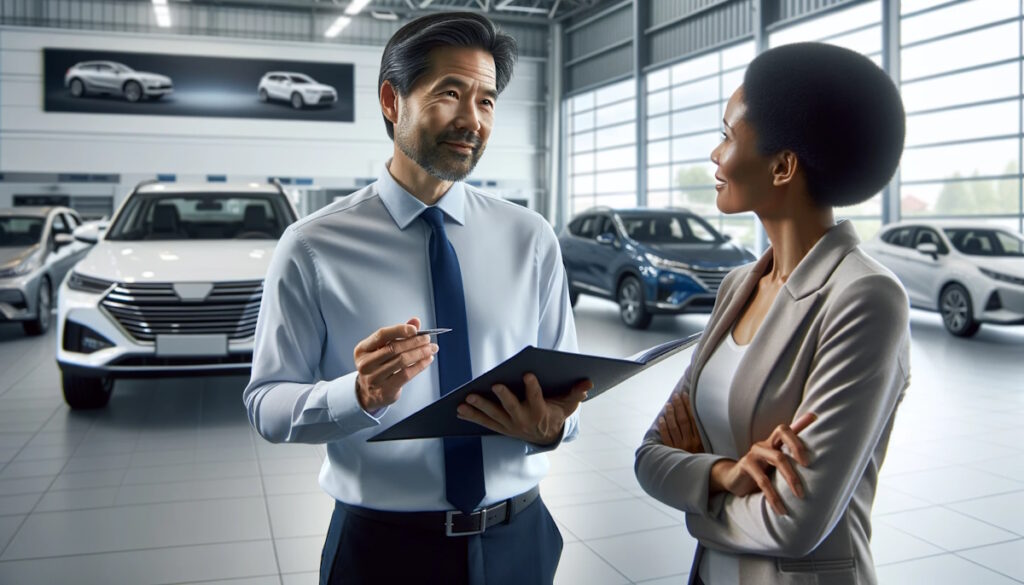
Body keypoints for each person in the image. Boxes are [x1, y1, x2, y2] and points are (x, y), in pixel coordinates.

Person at [243, 12, 591, 585]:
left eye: (486, 101)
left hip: (519, 541)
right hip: (383, 551)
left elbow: (568, 393)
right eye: (449, 93)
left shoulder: (530, 238)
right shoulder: (312, 246)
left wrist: (551, 427)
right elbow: (266, 404)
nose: (471, 119)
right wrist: (357, 394)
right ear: (391, 100)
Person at [634, 42, 909, 585]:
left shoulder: (866, 297)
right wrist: (722, 472)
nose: (715, 155)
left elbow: (793, 523)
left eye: (727, 136)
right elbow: (649, 456)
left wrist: (695, 500)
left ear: (783, 167)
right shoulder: (740, 284)